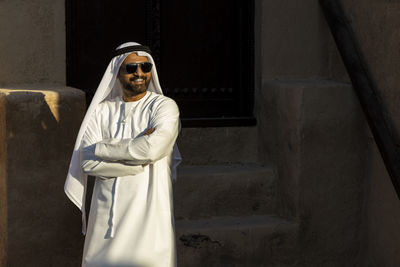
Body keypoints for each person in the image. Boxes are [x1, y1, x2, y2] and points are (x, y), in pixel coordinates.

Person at [64, 42, 181, 267]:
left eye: (145, 67)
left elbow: (152, 149)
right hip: (106, 220)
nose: (139, 73)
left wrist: (102, 147)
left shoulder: (164, 107)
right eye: (131, 68)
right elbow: (87, 162)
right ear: (117, 72)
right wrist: (138, 162)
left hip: (150, 217)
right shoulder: (100, 111)